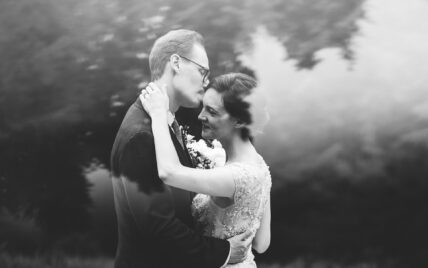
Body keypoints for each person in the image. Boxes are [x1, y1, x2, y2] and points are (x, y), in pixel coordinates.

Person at [110, 30, 252, 268]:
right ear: (176, 62)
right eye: (202, 71)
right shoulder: (141, 136)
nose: (206, 82)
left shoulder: (160, 125)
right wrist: (225, 251)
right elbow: (159, 228)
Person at [140, 73, 272, 267]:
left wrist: (158, 114)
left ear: (239, 121)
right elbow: (261, 244)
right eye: (203, 106)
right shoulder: (259, 166)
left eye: (212, 111)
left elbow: (169, 172)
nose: (201, 115)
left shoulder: (237, 176)